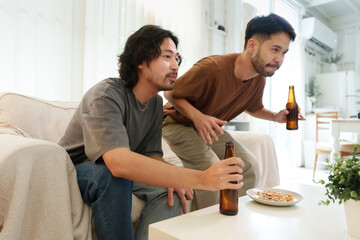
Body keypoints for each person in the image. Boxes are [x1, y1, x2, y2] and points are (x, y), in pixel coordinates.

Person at [58, 25, 244, 240]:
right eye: (167, 57)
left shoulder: (156, 103)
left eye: (177, 58)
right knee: (113, 176)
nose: (175, 66)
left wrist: (177, 179)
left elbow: (151, 156)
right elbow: (118, 163)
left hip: (113, 170)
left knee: (171, 190)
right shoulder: (105, 95)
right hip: (77, 170)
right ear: (140, 61)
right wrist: (202, 178)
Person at [162, 13, 305, 210]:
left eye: (284, 53)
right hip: (176, 122)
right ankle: (205, 228)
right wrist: (199, 117)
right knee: (213, 169)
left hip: (207, 127)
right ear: (252, 45)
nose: (279, 59)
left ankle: (239, 216)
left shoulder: (258, 78)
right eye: (275, 49)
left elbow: (253, 107)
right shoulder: (213, 68)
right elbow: (170, 92)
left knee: (249, 166)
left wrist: (274, 116)